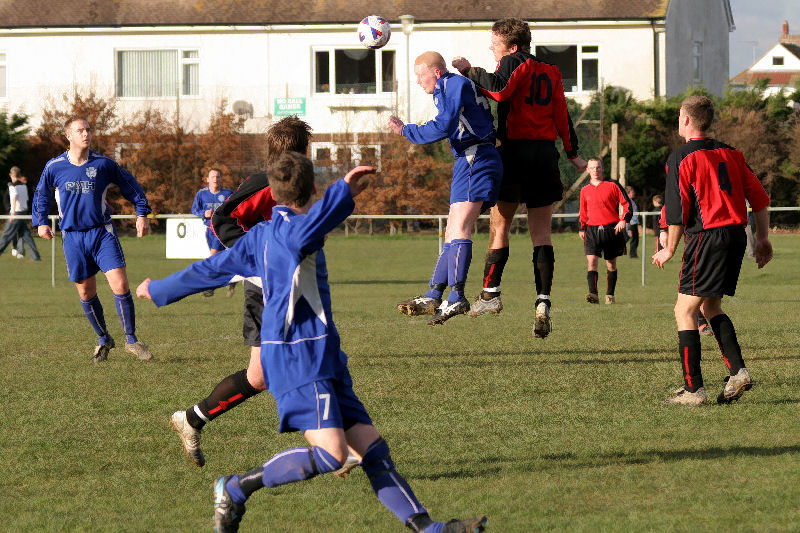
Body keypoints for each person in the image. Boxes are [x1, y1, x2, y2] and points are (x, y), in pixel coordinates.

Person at [138, 152, 487, 533]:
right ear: (314, 188)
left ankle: (429, 528)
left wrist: (157, 289)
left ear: (272, 192)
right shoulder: (295, 232)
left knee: (371, 448)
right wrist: (346, 191)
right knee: (334, 454)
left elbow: (209, 270)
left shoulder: (259, 236)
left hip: (325, 355)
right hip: (296, 361)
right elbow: (319, 218)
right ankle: (234, 489)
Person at [452, 17, 587, 338]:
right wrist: (573, 154)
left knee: (501, 226)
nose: (491, 48)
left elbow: (499, 89)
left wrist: (468, 70)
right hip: (545, 156)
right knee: (542, 234)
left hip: (515, 153)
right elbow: (562, 116)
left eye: (495, 44)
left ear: (513, 46)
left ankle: (490, 295)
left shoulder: (516, 63)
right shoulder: (552, 71)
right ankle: (542, 303)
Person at [653, 95, 772, 406]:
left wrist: (668, 248)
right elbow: (759, 199)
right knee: (710, 308)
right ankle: (738, 372)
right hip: (736, 236)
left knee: (684, 310)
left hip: (707, 237)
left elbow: (677, 212)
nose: (678, 121)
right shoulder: (732, 154)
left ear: (687, 120)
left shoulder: (680, 157)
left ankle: (693, 390)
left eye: (680, 116)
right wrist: (762, 239)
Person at [389, 51, 502, 325]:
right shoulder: (446, 88)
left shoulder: (453, 84)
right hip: (467, 159)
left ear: (436, 72)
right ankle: (434, 293)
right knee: (452, 230)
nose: (418, 81)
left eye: (420, 75)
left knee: (461, 228)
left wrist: (407, 131)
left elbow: (444, 125)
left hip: (477, 157)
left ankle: (457, 297)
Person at [32, 116, 154, 362]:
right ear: (69, 136)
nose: (86, 134)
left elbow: (130, 185)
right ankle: (103, 338)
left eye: (88, 129)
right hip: (73, 237)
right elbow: (41, 195)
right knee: (86, 292)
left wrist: (141, 213)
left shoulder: (103, 164)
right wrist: (42, 221)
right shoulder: (54, 166)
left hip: (102, 233)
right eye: (80, 130)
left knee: (120, 285)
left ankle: (131, 340)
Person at [578, 158, 631, 305]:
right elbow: (582, 211)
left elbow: (627, 205)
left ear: (603, 168)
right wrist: (581, 227)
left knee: (611, 264)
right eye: (592, 168)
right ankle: (593, 294)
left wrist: (623, 220)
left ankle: (610, 295)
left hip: (611, 230)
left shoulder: (613, 185)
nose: (595, 170)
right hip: (592, 231)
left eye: (598, 168)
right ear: (587, 170)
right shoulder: (584, 190)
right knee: (592, 262)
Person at [191, 168, 234, 297]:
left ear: (221, 179)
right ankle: (231, 275)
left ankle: (208, 285)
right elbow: (194, 210)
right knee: (218, 259)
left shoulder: (228, 194)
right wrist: (203, 213)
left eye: (218, 177)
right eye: (213, 177)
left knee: (212, 257)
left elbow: (236, 209)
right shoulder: (201, 194)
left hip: (221, 230)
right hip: (209, 231)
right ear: (207, 179)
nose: (215, 179)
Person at [0, 167, 41, 261]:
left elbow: (14, 199)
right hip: (23, 212)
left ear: (11, 175)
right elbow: (26, 199)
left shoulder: (12, 186)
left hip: (16, 213)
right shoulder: (23, 186)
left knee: (7, 235)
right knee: (26, 235)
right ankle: (35, 256)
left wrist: (12, 214)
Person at [625, 185, 639, 258]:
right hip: (631, 223)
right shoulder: (627, 202)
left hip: (634, 223)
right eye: (632, 192)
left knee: (635, 239)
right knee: (631, 239)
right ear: (628, 193)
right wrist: (628, 226)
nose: (634, 193)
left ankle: (633, 254)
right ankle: (633, 255)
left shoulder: (632, 201)